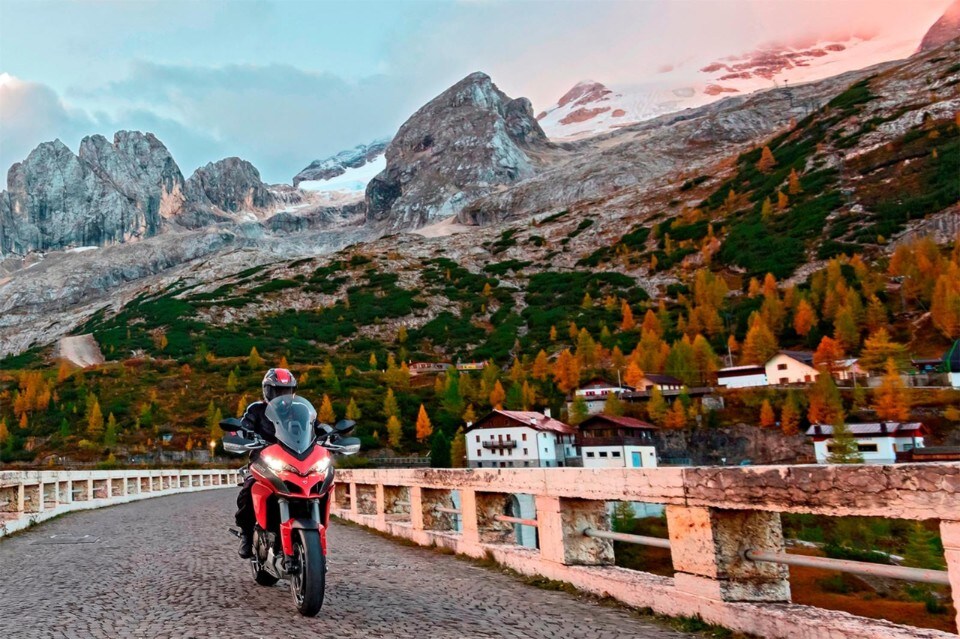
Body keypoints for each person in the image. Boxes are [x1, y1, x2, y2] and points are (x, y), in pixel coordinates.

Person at [235, 367, 299, 558]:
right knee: (249, 488)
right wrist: (242, 433)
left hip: (294, 461)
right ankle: (246, 533)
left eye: (285, 391)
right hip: (264, 460)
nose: (281, 396)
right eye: (277, 391)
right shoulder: (256, 409)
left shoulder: (299, 411)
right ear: (267, 391)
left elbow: (315, 425)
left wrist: (328, 434)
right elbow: (243, 425)